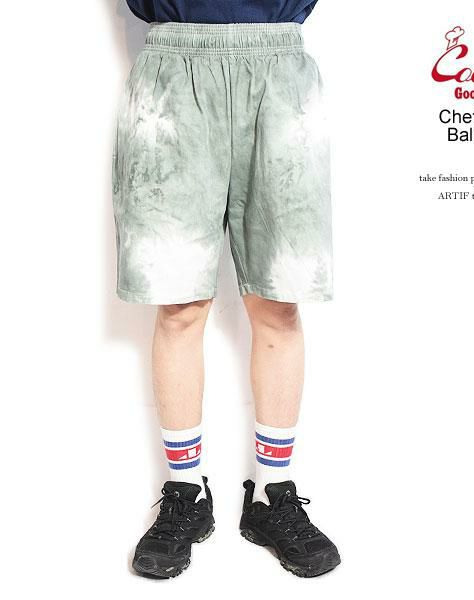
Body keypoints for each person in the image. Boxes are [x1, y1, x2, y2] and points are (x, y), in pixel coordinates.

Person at [111, 0, 340, 578]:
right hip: (172, 68)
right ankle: (185, 491)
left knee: (279, 301)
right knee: (179, 304)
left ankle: (271, 493)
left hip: (279, 67)